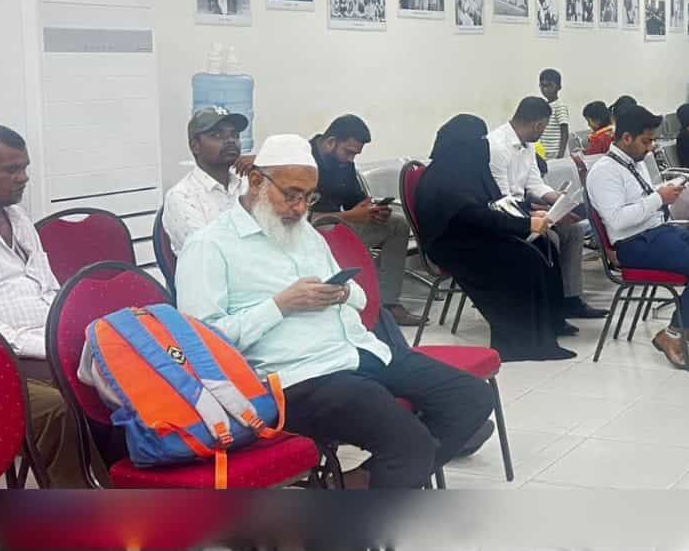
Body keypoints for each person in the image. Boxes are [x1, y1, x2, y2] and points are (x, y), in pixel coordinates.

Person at [176, 133, 495, 489]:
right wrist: (279, 305)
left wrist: (342, 292)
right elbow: (199, 343)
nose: (300, 208)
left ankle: (353, 484)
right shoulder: (209, 246)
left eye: (309, 197)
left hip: (358, 351)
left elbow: (357, 297)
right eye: (291, 194)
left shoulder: (304, 233)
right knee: (409, 445)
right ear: (255, 181)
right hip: (297, 377)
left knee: (472, 398)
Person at [0, 123, 111, 488]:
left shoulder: (17, 218)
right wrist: (47, 347)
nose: (23, 178)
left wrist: (73, 334)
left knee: (124, 375)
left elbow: (50, 289)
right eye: (11, 170)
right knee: (65, 404)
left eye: (25, 167)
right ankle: (82, 516)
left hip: (46, 347)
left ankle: (127, 490)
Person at [586, 105, 689, 370]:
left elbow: (645, 198)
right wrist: (658, 198)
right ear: (626, 138)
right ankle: (672, 334)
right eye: (646, 141)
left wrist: (662, 191)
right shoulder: (604, 172)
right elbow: (616, 220)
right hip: (633, 244)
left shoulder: (635, 162)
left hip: (661, 231)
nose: (650, 147)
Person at [416, 115, 577, 361]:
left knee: (543, 246)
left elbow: (496, 202)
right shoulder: (444, 176)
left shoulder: (469, 167)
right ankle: (519, 342)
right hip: (451, 243)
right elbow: (470, 214)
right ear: (462, 142)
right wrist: (525, 224)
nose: (483, 144)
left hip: (474, 232)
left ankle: (550, 324)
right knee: (522, 259)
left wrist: (530, 212)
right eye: (478, 139)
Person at [487, 98, 607, 322]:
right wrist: (539, 214)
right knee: (550, 236)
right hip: (504, 217)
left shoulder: (528, 144)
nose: (542, 133)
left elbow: (534, 184)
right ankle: (549, 307)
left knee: (574, 230)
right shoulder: (497, 146)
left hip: (523, 210)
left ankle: (570, 299)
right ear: (538, 125)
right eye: (543, 127)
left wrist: (560, 201)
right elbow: (501, 199)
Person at [306, 116, 421, 327]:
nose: (351, 159)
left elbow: (354, 200)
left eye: (355, 154)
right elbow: (306, 219)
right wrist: (352, 216)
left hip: (340, 225)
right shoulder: (304, 160)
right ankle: (358, 298)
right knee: (330, 228)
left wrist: (372, 210)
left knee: (397, 224)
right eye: (348, 152)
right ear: (331, 141)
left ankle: (388, 304)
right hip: (311, 232)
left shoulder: (343, 163)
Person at [162, 108, 249, 250]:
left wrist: (265, 169)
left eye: (235, 135)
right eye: (216, 135)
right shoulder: (181, 196)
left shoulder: (248, 183)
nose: (230, 141)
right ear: (195, 146)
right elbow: (210, 252)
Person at [537, 69, 570, 159]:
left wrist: (561, 154)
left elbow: (565, 132)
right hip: (546, 152)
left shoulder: (560, 106)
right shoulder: (544, 106)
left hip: (557, 153)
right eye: (542, 86)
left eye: (549, 86)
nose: (545, 89)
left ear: (559, 87)